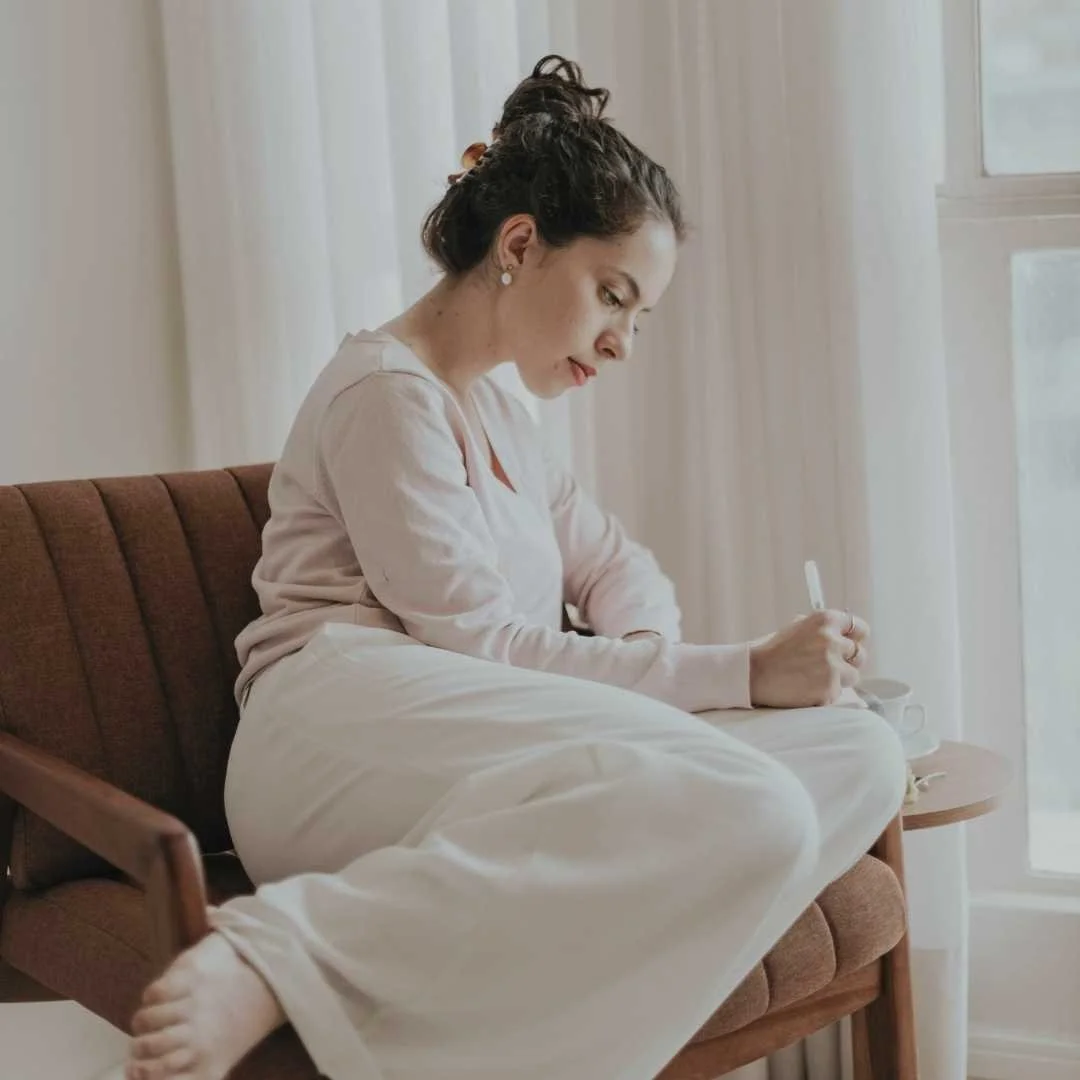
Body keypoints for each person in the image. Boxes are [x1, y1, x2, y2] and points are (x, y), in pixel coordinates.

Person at [123, 55, 906, 1080]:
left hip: (475, 744)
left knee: (863, 754)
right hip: (341, 728)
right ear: (521, 244)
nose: (622, 342)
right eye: (612, 297)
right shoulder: (385, 395)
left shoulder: (502, 407)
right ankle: (280, 951)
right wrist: (737, 676)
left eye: (639, 317)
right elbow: (480, 645)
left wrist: (650, 671)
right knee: (754, 805)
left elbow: (615, 563)